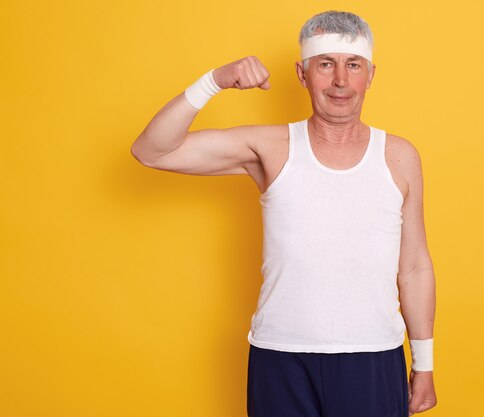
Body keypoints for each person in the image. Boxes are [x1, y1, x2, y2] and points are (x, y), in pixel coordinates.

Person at [131, 10, 437, 416]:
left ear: (371, 74)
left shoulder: (400, 156)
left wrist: (425, 364)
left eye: (353, 65)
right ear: (303, 73)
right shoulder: (270, 148)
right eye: (326, 64)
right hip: (280, 357)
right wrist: (214, 82)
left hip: (373, 354)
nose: (341, 80)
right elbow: (152, 150)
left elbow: (414, 266)